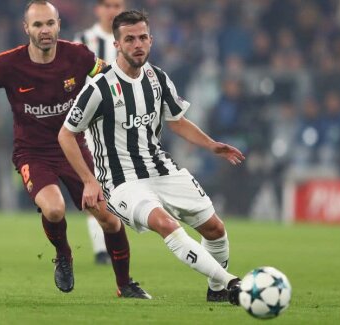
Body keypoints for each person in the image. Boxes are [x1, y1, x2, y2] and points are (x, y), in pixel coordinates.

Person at [0, 0, 150, 299]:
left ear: (58, 25)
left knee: (109, 219)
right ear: (27, 29)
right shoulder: (9, 63)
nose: (44, 30)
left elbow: (108, 76)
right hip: (32, 153)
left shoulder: (77, 56)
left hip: (74, 148)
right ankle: (64, 254)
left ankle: (125, 284)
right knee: (53, 207)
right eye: (37, 25)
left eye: (49, 23)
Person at [59, 10, 245, 304]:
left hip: (162, 170)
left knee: (215, 229)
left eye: (143, 37)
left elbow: (176, 120)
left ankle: (217, 290)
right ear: (117, 44)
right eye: (130, 39)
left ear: (151, 40)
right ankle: (234, 283)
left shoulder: (157, 77)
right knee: (166, 224)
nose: (138, 44)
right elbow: (66, 133)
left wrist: (211, 145)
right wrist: (89, 180)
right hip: (123, 181)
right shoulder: (98, 88)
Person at [74, 0, 125, 265]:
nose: (112, 10)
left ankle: (113, 241)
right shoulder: (83, 41)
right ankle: (101, 249)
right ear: (97, 9)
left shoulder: (130, 40)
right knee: (95, 183)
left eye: (117, 4)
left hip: (123, 125)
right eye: (107, 4)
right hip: (91, 125)